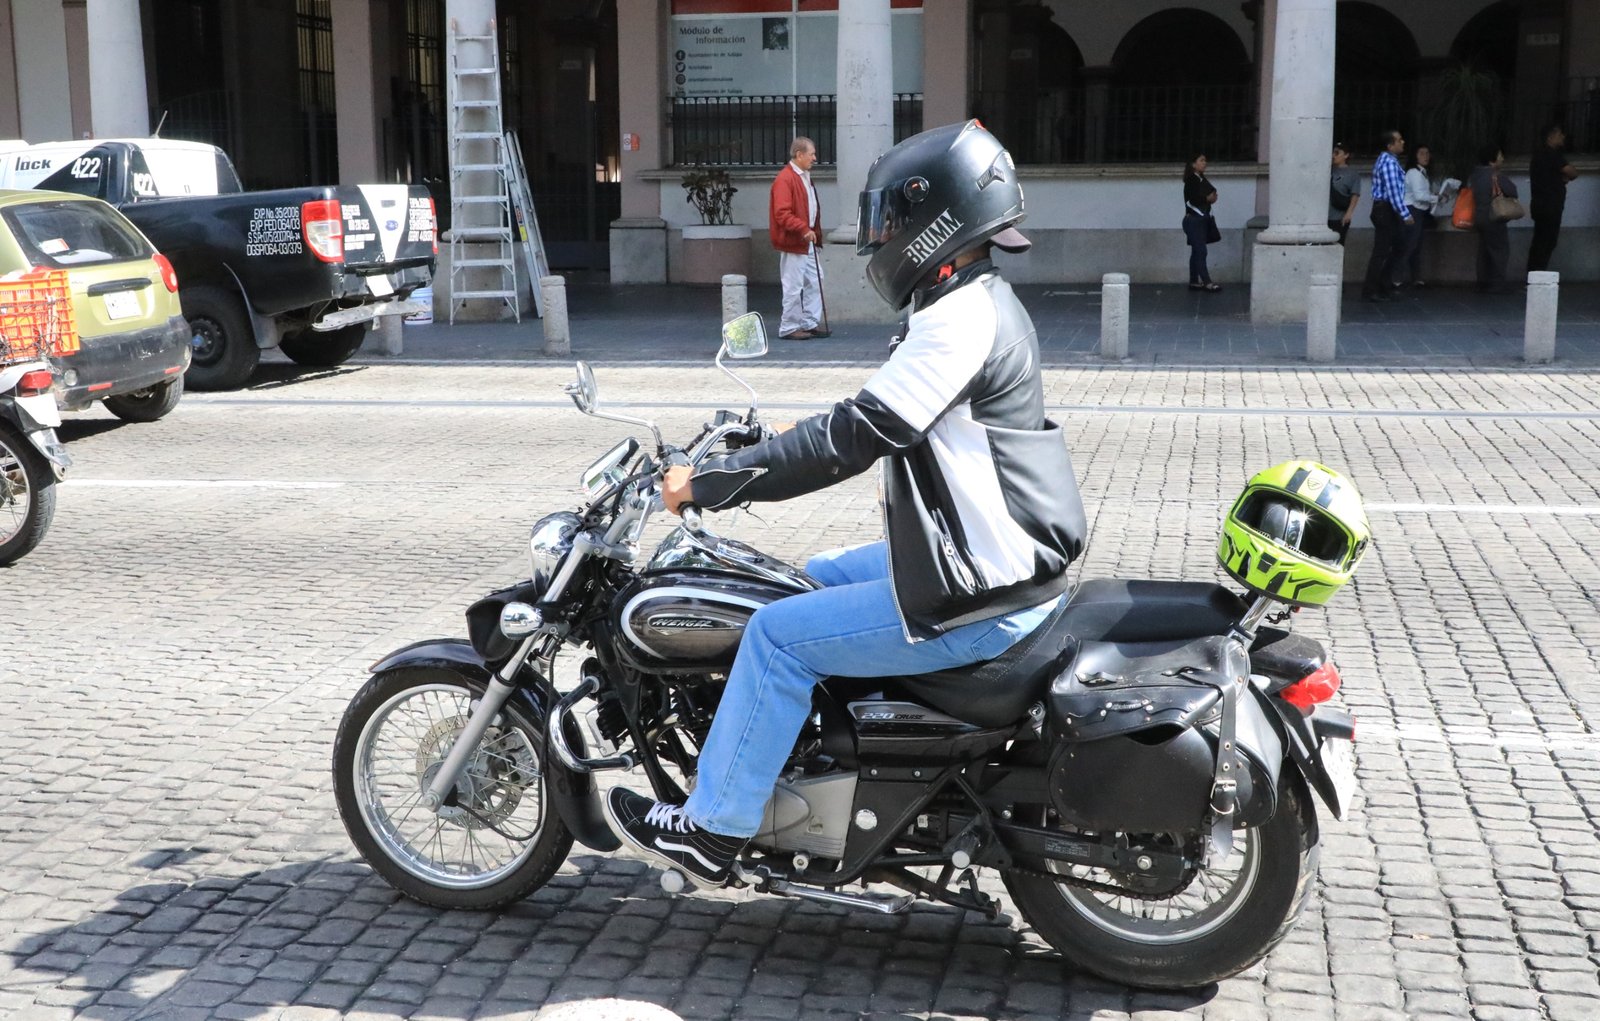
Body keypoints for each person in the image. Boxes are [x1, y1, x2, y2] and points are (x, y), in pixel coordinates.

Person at [603, 121, 1087, 885]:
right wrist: (770, 441)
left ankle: (713, 829)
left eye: (891, 220)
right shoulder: (976, 300)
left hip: (978, 594)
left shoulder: (958, 320)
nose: (879, 238)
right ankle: (819, 760)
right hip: (988, 561)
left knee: (774, 636)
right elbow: (875, 414)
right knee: (816, 573)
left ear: (936, 223)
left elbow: (854, 436)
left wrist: (710, 483)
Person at [769, 136, 828, 339]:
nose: (814, 158)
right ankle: (789, 327)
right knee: (793, 285)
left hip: (806, 239)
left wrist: (810, 232)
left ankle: (808, 322)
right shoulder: (785, 179)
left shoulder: (802, 177)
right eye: (811, 154)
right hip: (796, 240)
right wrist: (803, 229)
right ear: (799, 154)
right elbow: (782, 213)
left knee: (815, 280)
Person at [1361, 129, 1414, 303]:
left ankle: (1383, 283)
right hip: (1385, 210)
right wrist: (1405, 214)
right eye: (1399, 140)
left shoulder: (1389, 161)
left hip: (1386, 210)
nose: (1402, 142)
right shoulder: (1389, 164)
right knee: (1382, 251)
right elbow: (1393, 192)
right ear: (1390, 145)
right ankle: (1371, 289)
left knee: (1398, 246)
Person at [1527, 123, 1578, 274]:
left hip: (1539, 204)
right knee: (1547, 241)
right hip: (1551, 205)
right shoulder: (1552, 155)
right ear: (1550, 137)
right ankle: (1537, 274)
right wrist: (1564, 177)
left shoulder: (1538, 155)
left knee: (1540, 241)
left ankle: (1533, 274)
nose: (1562, 137)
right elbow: (1572, 173)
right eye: (1559, 134)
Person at [1469, 144, 1518, 294]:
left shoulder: (1475, 175)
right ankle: (1497, 283)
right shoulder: (1495, 176)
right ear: (1492, 160)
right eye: (1500, 156)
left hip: (1479, 216)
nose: (1502, 159)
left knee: (1484, 251)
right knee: (1500, 250)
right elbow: (1512, 191)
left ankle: (1482, 281)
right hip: (1494, 217)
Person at [1398, 144, 1441, 287]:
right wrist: (1436, 198)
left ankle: (1415, 277)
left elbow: (1422, 194)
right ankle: (1396, 278)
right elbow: (1419, 196)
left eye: (1427, 153)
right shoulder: (1414, 173)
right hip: (1413, 210)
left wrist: (1433, 196)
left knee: (1415, 245)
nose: (1426, 156)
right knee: (1410, 245)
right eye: (1422, 153)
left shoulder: (1421, 173)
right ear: (1415, 156)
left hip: (1418, 211)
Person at [1182, 153, 1221, 292]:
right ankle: (1207, 282)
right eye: (1201, 160)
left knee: (1196, 251)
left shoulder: (1201, 179)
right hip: (1193, 220)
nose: (1205, 163)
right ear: (1193, 164)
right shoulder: (1191, 180)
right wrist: (1207, 199)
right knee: (1201, 251)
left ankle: (1194, 281)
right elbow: (1192, 200)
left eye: (1205, 160)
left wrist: (1212, 197)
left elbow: (1211, 191)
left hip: (1201, 220)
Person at [1328, 143, 1362, 245]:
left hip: (1339, 216)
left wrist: (1349, 213)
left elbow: (1355, 194)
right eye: (1333, 152)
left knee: (1338, 244)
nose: (1333, 156)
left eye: (1337, 153)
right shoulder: (1327, 170)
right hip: (1324, 216)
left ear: (1346, 155)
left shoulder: (1352, 174)